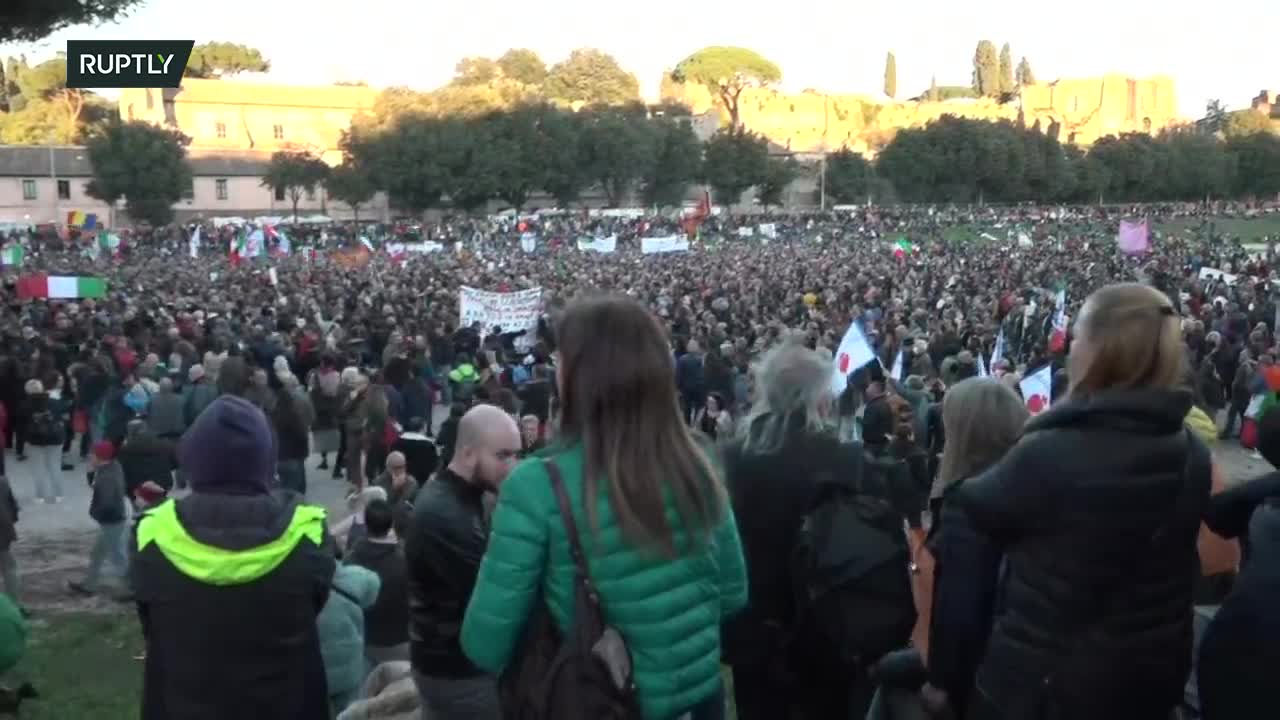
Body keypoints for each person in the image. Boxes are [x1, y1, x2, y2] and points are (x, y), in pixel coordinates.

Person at [462, 296, 747, 720]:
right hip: (698, 700)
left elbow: (484, 642)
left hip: (604, 700)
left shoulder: (537, 485)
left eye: (562, 358)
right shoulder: (696, 464)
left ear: (581, 377)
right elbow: (732, 594)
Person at [955, 283, 1216, 720]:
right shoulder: (1192, 451)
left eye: (1076, 337)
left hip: (1047, 683)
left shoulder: (1051, 451)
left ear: (1100, 349)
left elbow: (973, 510)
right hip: (1146, 678)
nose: (1069, 348)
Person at [131, 395, 336, 720]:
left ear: (193, 458)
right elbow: (316, 602)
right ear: (266, 458)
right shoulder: (307, 531)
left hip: (183, 705)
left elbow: (151, 620)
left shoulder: (151, 533)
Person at [721, 340, 882, 720]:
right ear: (819, 398)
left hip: (755, 625)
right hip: (829, 625)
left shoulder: (731, 457)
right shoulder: (847, 459)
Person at [916, 378, 1028, 717]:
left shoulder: (969, 503)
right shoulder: (1029, 485)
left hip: (976, 676)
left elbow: (960, 605)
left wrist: (941, 681)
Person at [403, 404, 519, 719]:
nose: (513, 466)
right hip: (458, 673)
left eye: (515, 455)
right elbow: (499, 593)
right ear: (468, 454)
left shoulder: (464, 495)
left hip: (449, 665)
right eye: (502, 456)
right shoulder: (445, 515)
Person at [345, 498, 411, 666]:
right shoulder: (405, 562)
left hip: (365, 643)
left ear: (366, 526)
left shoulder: (351, 561)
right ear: (391, 526)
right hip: (401, 642)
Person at [318, 562, 381, 716]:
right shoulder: (352, 577)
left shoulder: (289, 583)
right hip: (349, 664)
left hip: (315, 668)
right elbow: (373, 588)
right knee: (350, 711)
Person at [68, 441, 129, 598]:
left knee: (118, 557)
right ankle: (89, 586)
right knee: (99, 554)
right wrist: (91, 473)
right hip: (115, 518)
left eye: (93, 454)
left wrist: (96, 514)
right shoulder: (113, 466)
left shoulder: (106, 477)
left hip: (111, 520)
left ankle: (132, 589)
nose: (90, 456)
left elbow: (106, 502)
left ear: (100, 456)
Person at [23, 379, 66, 504]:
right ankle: (59, 494)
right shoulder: (54, 402)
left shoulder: (24, 405)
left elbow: (20, 426)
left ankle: (40, 496)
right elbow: (63, 416)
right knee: (54, 466)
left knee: (38, 469)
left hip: (34, 440)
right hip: (55, 438)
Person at [117, 420, 177, 501]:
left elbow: (122, 472)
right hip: (163, 482)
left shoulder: (123, 450)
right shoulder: (164, 444)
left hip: (137, 487)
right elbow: (175, 462)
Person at [273, 380, 312, 496]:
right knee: (296, 492)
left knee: (284, 490)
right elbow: (302, 436)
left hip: (279, 458)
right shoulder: (294, 417)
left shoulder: (272, 416)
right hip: (294, 458)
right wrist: (304, 454)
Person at [373, 451, 417, 538]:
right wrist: (394, 490)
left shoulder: (411, 482)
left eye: (403, 466)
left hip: (404, 525)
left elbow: (407, 505)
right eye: (397, 467)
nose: (401, 470)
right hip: (384, 525)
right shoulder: (378, 483)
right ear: (388, 468)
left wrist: (402, 489)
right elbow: (380, 507)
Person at [391, 417, 437, 487]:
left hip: (401, 477)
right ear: (422, 428)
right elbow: (432, 464)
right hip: (421, 480)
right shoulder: (428, 445)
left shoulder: (397, 442)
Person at [146, 378, 187, 442]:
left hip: (157, 436)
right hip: (176, 435)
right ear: (172, 387)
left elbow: (146, 413)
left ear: (159, 388)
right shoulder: (181, 399)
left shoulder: (152, 399)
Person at [0, 476, 19, 609]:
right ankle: (14, 605)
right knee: (9, 569)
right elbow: (14, 508)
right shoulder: (3, 481)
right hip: (3, 532)